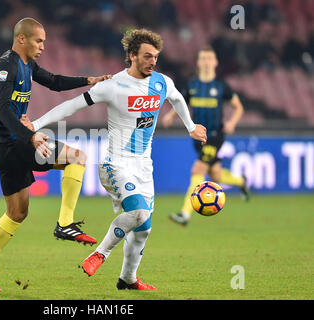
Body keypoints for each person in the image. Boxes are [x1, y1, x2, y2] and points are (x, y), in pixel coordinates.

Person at [23, 29, 207, 290]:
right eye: (146, 56)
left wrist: (190, 126)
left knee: (144, 229)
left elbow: (177, 98)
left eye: (155, 56)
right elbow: (72, 105)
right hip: (115, 164)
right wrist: (38, 123)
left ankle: (128, 279)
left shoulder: (162, 82)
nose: (152, 61)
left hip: (144, 167)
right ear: (132, 56)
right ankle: (100, 253)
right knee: (138, 212)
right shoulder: (112, 86)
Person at [0, 17, 111, 291]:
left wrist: (88, 80)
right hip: (12, 145)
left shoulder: (27, 64)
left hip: (7, 146)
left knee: (17, 213)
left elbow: (53, 81)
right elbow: (2, 110)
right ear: (22, 38)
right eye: (39, 40)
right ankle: (65, 224)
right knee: (77, 157)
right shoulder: (6, 66)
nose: (43, 46)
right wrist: (30, 136)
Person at [163, 47, 250, 226]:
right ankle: (241, 181)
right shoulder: (192, 85)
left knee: (198, 170)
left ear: (215, 62)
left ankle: (185, 214)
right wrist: (170, 116)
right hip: (198, 136)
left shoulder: (221, 86)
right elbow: (181, 103)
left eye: (210, 58)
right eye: (203, 58)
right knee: (216, 175)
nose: (206, 61)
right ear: (198, 62)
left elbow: (239, 107)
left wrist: (232, 123)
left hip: (215, 136)